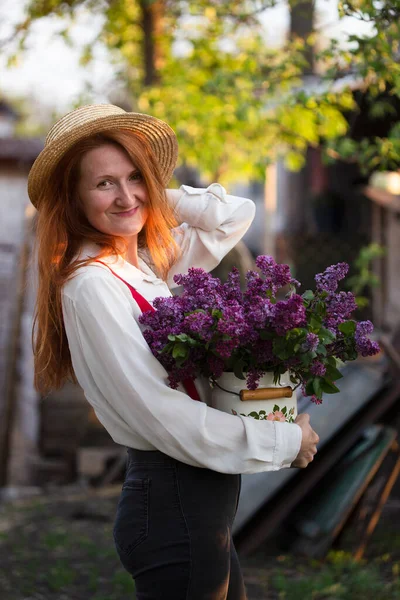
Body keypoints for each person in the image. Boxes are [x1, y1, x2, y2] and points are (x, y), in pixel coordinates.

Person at [28, 104, 319, 600]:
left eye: (135, 176)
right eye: (103, 184)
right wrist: (284, 443)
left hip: (200, 507)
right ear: (72, 199)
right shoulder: (92, 284)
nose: (125, 195)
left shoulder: (141, 266)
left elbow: (231, 218)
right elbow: (158, 412)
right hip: (172, 501)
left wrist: (145, 194)